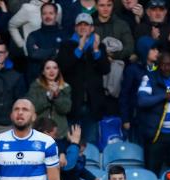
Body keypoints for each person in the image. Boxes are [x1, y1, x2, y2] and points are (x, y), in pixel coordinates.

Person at [57, 13, 112, 143]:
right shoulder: (67, 45)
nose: (83, 27)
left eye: (86, 25)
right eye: (80, 25)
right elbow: (62, 68)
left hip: (93, 105)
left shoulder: (99, 46)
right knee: (72, 143)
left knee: (91, 144)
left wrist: (97, 51)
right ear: (75, 28)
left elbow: (106, 69)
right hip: (73, 103)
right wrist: (79, 49)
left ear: (92, 28)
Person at [119, 36, 160, 144]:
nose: (157, 52)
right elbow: (124, 95)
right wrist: (125, 119)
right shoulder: (132, 69)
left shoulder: (160, 69)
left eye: (157, 49)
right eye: (153, 49)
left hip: (155, 119)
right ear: (144, 50)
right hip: (136, 119)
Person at [26, 58, 72, 139]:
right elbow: (33, 108)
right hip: (39, 132)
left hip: (59, 133)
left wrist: (57, 96)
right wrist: (48, 96)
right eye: (48, 68)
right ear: (43, 72)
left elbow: (66, 109)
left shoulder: (65, 87)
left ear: (58, 70)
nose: (52, 71)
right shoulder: (35, 86)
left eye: (55, 68)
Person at [25, 2, 68, 83]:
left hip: (58, 81)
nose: (47, 16)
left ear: (56, 15)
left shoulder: (64, 35)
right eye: (44, 13)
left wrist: (42, 52)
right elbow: (33, 54)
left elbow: (64, 57)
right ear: (41, 15)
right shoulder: (33, 35)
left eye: (51, 13)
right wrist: (54, 51)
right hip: (36, 81)